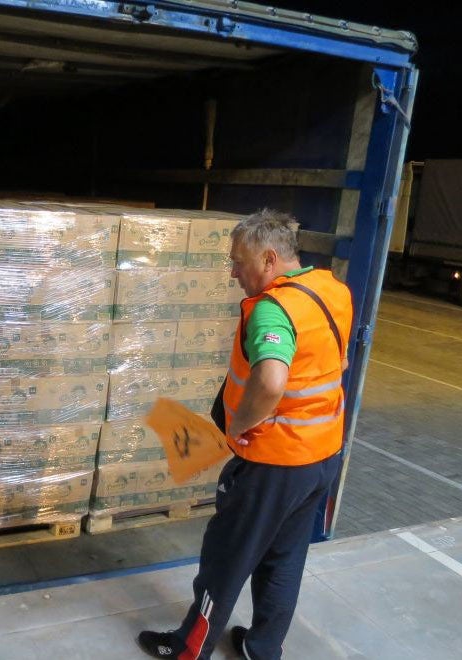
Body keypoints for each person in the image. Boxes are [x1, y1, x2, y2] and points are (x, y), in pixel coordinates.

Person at [138, 209, 353, 660]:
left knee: (225, 561)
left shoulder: (272, 310)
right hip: (321, 459)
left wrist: (238, 424)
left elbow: (271, 380)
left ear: (270, 259)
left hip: (272, 466)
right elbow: (338, 361)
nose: (233, 272)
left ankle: (187, 649)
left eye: (239, 262)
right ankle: (263, 648)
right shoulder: (331, 291)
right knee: (284, 560)